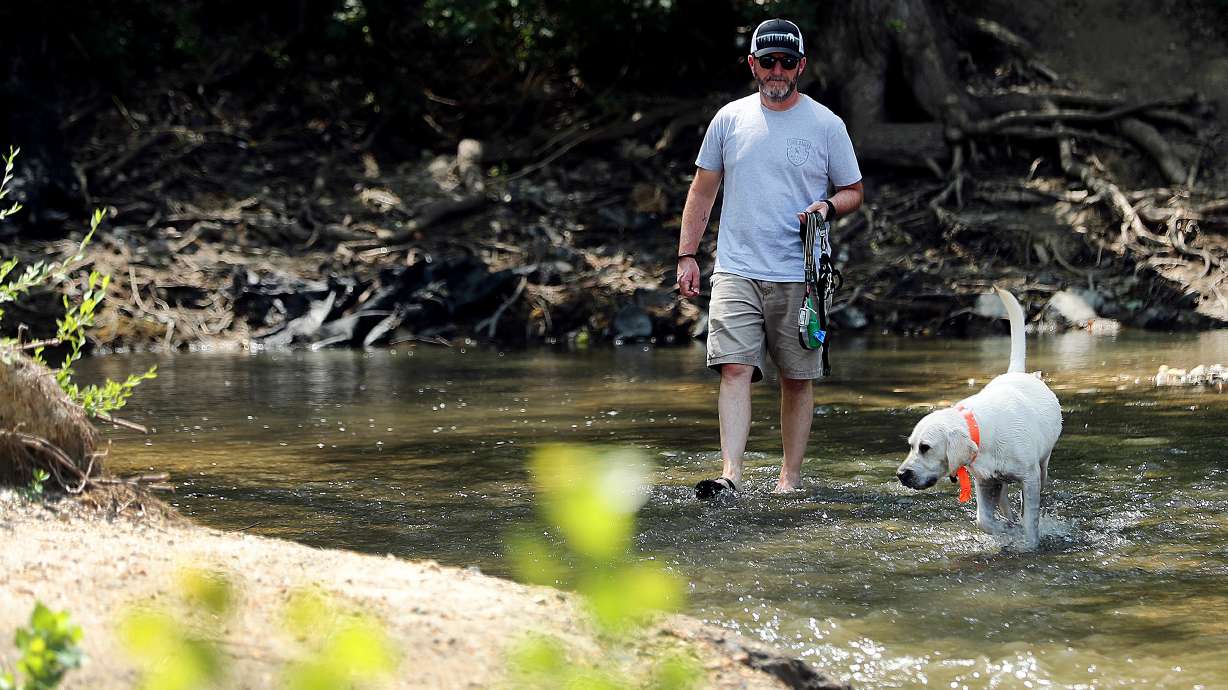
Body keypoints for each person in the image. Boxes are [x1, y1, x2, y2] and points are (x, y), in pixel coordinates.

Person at [676, 18, 864, 498]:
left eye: (785, 62)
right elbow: (702, 191)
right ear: (752, 65)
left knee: (797, 379)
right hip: (736, 268)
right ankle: (731, 476)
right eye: (767, 61)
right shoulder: (729, 119)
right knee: (734, 367)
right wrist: (687, 255)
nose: (776, 70)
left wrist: (827, 206)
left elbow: (853, 192)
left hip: (802, 274)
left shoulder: (826, 124)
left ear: (801, 66)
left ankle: (789, 480)